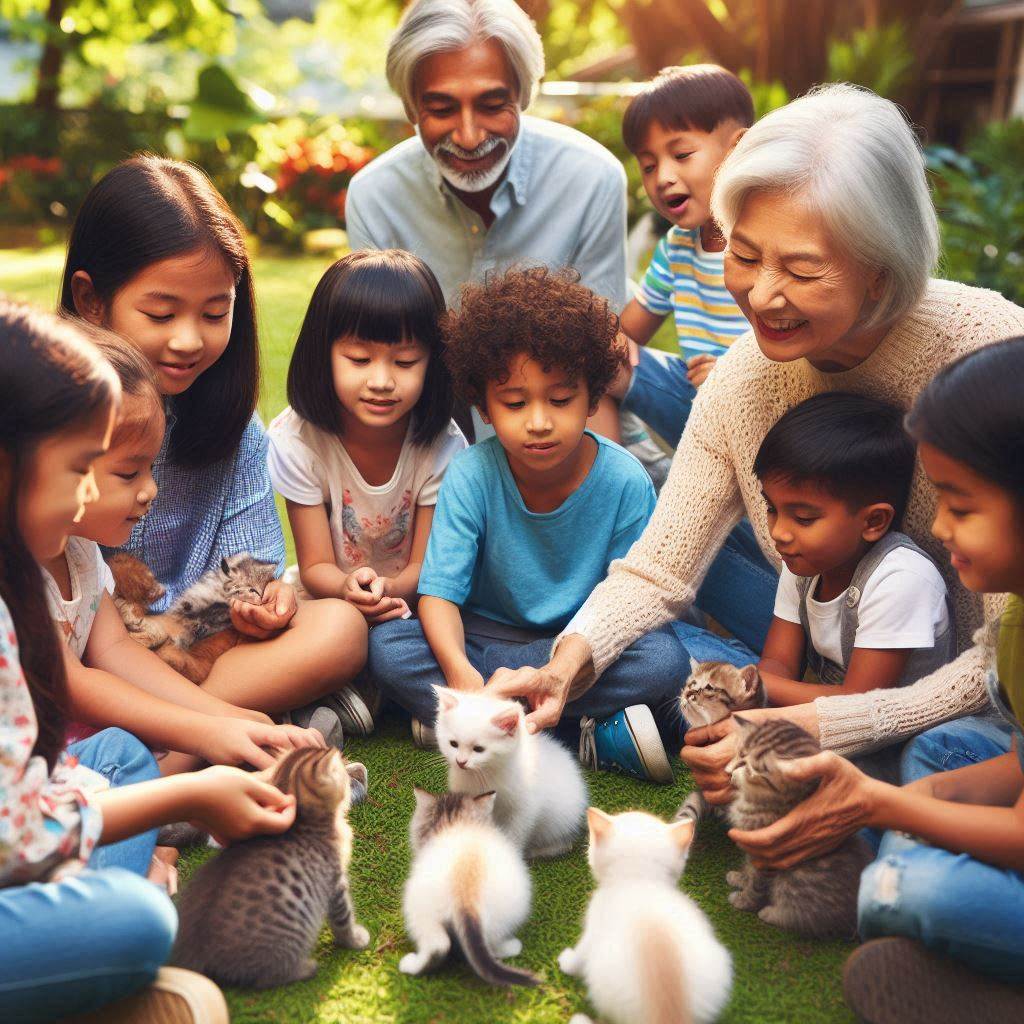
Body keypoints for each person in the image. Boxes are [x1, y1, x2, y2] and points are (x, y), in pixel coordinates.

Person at [485, 85, 1024, 778]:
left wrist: (812, 724)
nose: (761, 295)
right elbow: (661, 566)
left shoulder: (989, 352)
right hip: (821, 657)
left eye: (800, 270)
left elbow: (996, 656)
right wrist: (565, 665)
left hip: (970, 693)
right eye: (742, 255)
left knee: (924, 770)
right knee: (659, 629)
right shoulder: (745, 380)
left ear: (880, 271)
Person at [0, 300, 299, 1023]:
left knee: (120, 756)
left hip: (24, 818)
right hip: (18, 835)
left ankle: (72, 962)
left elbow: (105, 661)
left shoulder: (54, 554)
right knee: (136, 920)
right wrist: (188, 795)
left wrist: (229, 727)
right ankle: (87, 968)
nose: (84, 498)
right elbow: (20, 834)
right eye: (83, 469)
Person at [731, 339, 1024, 1023]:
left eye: (962, 504)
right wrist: (918, 796)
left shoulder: (904, 575)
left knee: (901, 886)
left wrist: (881, 808)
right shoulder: (1015, 623)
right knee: (941, 754)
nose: (941, 526)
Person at [370, 267, 739, 783]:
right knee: (389, 648)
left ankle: (467, 723)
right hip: (483, 644)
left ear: (592, 399)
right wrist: (463, 677)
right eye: (516, 403)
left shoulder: (625, 480)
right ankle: (584, 727)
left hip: (583, 650)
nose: (539, 421)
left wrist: (551, 669)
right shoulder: (472, 474)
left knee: (664, 660)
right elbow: (440, 596)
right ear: (484, 407)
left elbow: (633, 606)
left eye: (560, 400)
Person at [60, 155, 368, 718]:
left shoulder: (235, 429)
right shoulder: (53, 415)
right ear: (91, 300)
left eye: (213, 313)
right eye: (160, 313)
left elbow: (250, 564)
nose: (188, 340)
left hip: (196, 649)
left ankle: (185, 736)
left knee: (340, 627)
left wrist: (259, 603)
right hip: (83, 645)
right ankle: (199, 746)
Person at [345, 0, 629, 441]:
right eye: (441, 110)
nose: (469, 136)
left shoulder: (591, 178)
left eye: (492, 104)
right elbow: (379, 370)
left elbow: (596, 366)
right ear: (410, 108)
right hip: (430, 441)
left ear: (523, 96)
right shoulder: (375, 197)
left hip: (562, 435)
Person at [49, 330, 323, 777]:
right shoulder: (17, 567)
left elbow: (114, 650)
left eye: (151, 468)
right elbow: (76, 684)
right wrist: (207, 731)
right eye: (129, 473)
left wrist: (228, 719)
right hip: (38, 755)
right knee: (130, 752)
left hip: (80, 738)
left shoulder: (78, 549)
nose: (149, 490)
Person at [267, 250, 466, 735]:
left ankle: (375, 694)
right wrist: (348, 590)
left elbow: (428, 570)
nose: (381, 381)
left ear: (433, 363)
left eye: (404, 362)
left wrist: (387, 595)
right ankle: (383, 693)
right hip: (332, 597)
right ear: (323, 353)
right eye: (358, 359)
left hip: (416, 601)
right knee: (300, 626)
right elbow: (314, 567)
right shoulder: (299, 440)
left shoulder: (442, 445)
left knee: (414, 636)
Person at [754, 392, 953, 709]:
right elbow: (778, 664)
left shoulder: (901, 579)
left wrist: (756, 689)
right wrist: (753, 693)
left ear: (874, 521)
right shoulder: (804, 561)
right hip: (827, 711)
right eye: (771, 508)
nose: (778, 532)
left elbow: (860, 704)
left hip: (896, 734)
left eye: (804, 518)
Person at [611, 64, 755, 448]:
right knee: (609, 360)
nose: (662, 178)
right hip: (699, 409)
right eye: (648, 165)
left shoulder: (769, 242)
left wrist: (735, 375)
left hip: (776, 413)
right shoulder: (677, 248)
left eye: (682, 154)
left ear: (738, 149)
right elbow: (623, 335)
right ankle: (623, 465)